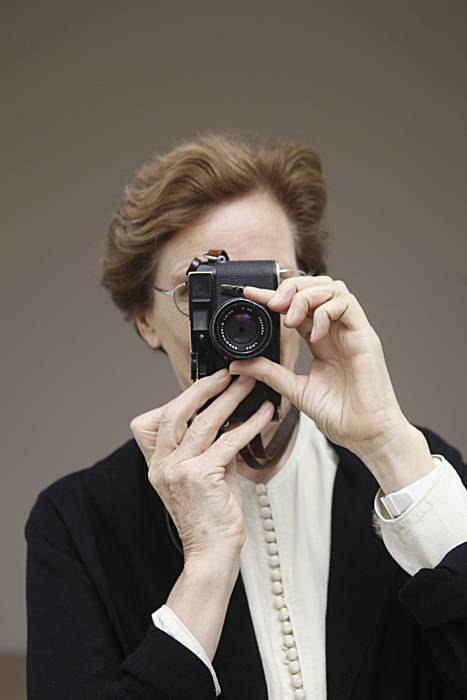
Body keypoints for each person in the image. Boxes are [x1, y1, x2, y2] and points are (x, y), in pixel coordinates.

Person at [24, 130, 467, 699]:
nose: (239, 314)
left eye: (265, 281)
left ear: (307, 290)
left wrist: (387, 444)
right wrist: (205, 570)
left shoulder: (415, 475)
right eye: (201, 288)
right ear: (145, 320)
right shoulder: (79, 522)